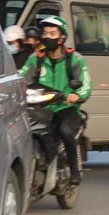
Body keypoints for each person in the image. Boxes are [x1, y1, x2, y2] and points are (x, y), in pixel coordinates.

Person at [20, 16, 92, 185]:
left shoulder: (74, 59)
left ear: (62, 38)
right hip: (39, 108)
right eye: (45, 33)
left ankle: (74, 170)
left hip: (64, 108)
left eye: (53, 34)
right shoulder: (35, 59)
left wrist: (77, 95)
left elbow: (86, 83)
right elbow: (20, 78)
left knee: (66, 131)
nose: (48, 37)